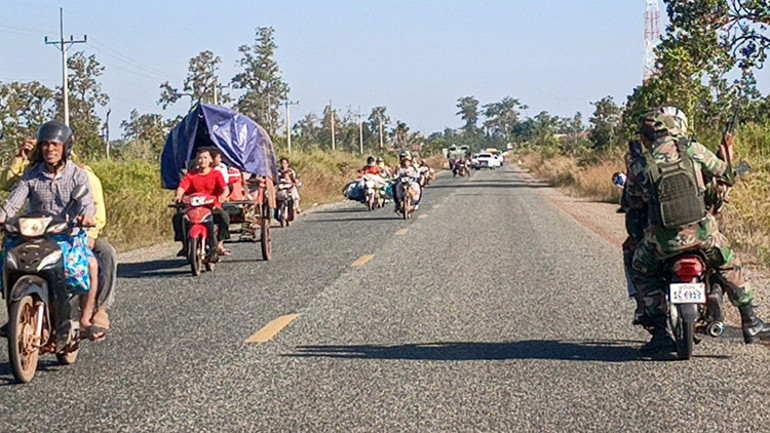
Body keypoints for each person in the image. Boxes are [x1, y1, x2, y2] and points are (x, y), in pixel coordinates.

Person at [625, 106, 770, 354]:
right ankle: (750, 321)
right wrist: (727, 157)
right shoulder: (691, 149)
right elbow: (725, 175)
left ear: (646, 135)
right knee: (728, 264)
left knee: (641, 271)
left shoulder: (641, 164)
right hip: (703, 235)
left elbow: (632, 204)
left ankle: (660, 333)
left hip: (662, 242)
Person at [0, 139, 116, 341]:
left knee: (91, 264)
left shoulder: (79, 174)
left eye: (55, 145)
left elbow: (88, 203)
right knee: (8, 262)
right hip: (34, 234)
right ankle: (16, 315)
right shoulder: (32, 174)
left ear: (65, 149)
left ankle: (87, 319)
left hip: (67, 234)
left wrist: (87, 220)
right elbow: (13, 201)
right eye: (45, 145)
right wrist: (2, 216)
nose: (49, 150)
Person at [173, 147, 231, 258]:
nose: (202, 160)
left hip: (211, 206)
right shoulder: (191, 175)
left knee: (224, 217)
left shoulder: (217, 174)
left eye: (205, 158)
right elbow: (182, 187)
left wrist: (223, 196)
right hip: (193, 207)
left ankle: (219, 244)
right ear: (196, 160)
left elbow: (225, 189)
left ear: (210, 160)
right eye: (199, 158)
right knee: (178, 218)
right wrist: (178, 196)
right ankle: (185, 245)